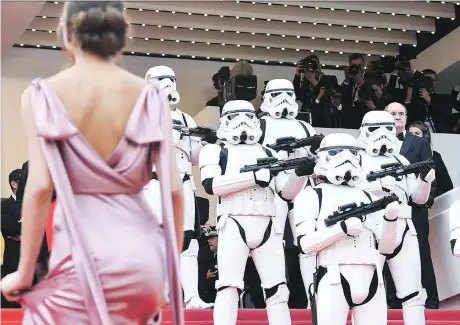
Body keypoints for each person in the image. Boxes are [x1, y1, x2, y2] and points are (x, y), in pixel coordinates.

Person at [1, 2, 184, 325]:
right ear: (122, 39)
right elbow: (173, 193)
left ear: (67, 34)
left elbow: (40, 187)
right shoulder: (152, 97)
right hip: (143, 261)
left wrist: (24, 273)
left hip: (81, 257)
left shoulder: (42, 96)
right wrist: (170, 269)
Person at [200, 100, 314, 325]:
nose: (242, 122)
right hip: (233, 222)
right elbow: (210, 185)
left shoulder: (269, 151)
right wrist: (251, 178)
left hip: (267, 224)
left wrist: (300, 174)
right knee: (228, 287)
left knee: (278, 290)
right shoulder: (215, 151)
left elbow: (286, 193)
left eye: (247, 115)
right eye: (235, 116)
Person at [295, 133, 400, 325]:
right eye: (336, 153)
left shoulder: (369, 197)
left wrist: (391, 219)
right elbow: (304, 245)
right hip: (334, 275)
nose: (347, 159)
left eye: (353, 153)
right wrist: (341, 230)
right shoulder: (311, 195)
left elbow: (386, 249)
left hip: (372, 277)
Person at [144, 65, 215, 309]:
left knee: (189, 241)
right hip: (154, 183)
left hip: (183, 182)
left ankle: (191, 296)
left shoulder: (186, 118)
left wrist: (205, 143)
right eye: (162, 80)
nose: (168, 85)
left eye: (172, 80)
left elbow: (194, 159)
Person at [356, 111, 436, 325]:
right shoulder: (356, 158)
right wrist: (377, 187)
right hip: (371, 228)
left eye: (387, 128)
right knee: (367, 292)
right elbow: (348, 192)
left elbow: (417, 199)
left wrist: (425, 180)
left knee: (413, 295)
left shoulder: (400, 159)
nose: (382, 135)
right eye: (376, 129)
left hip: (403, 226)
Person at [258, 78, 321, 308]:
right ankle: (275, 298)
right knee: (273, 243)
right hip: (273, 187)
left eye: (288, 93)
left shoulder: (304, 126)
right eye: (278, 94)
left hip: (302, 185)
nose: (284, 99)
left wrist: (314, 149)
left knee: (307, 243)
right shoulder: (261, 125)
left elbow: (318, 157)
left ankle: (311, 296)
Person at [385, 102, 439, 308]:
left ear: (406, 118)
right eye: (393, 114)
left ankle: (431, 299)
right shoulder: (372, 143)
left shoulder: (418, 143)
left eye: (401, 114)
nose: (397, 117)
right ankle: (393, 300)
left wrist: (425, 202)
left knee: (422, 253)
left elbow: (429, 174)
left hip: (415, 208)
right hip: (387, 209)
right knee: (388, 251)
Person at [407, 121, 453, 197]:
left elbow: (447, 185)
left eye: (417, 133)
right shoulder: (403, 157)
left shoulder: (435, 156)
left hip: (434, 202)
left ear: (425, 137)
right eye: (410, 134)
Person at [1, 169, 23, 308]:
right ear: (14, 184)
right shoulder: (4, 206)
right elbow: (9, 229)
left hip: (33, 260)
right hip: (13, 258)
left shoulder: (32, 203)